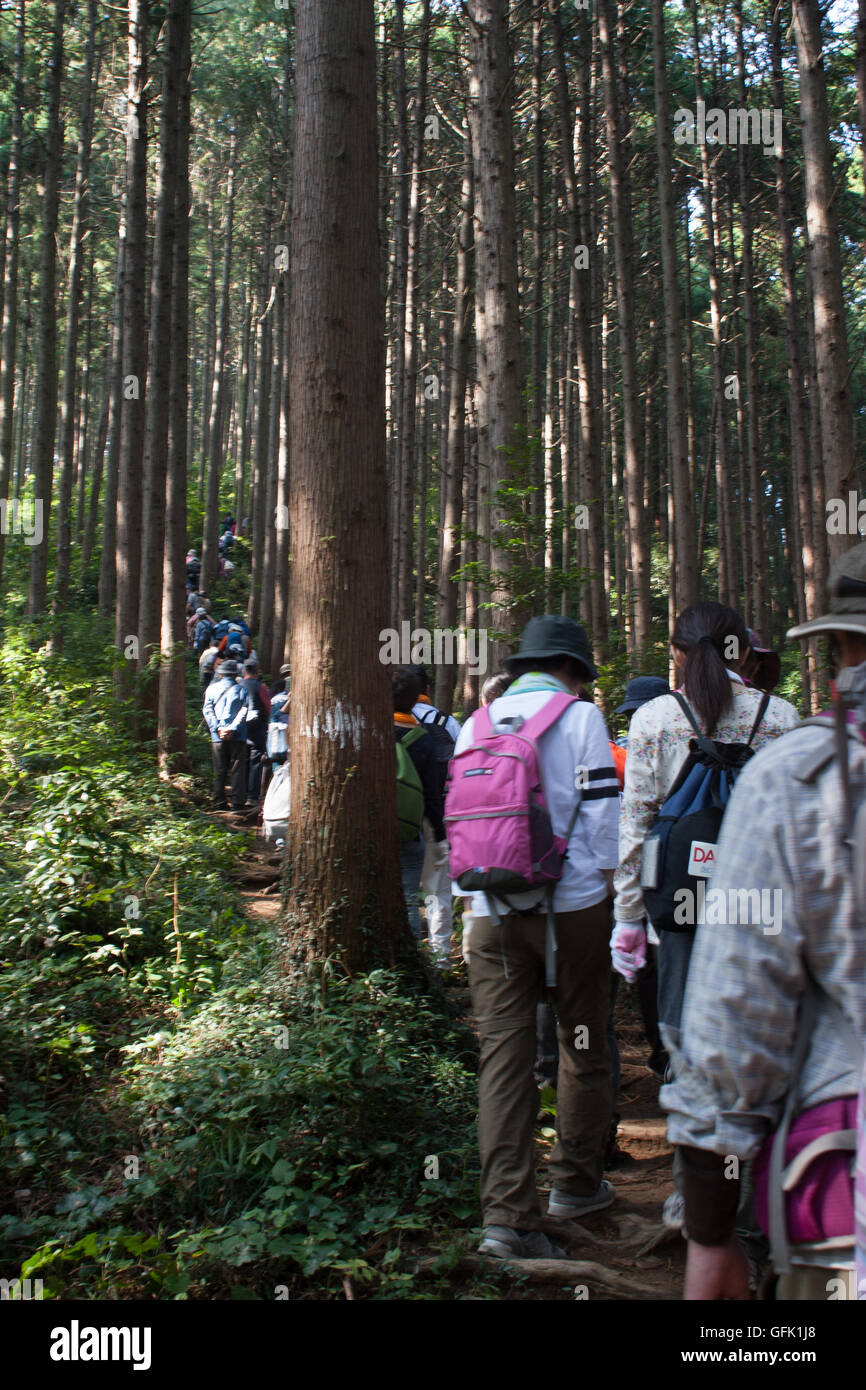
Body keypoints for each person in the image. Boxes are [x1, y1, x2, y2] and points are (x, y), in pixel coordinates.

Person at [663, 544, 866, 1300]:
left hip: (843, 1195)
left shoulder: (802, 773)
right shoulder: (778, 719)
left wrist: (710, 1233)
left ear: (845, 644)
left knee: (684, 1017)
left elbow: (736, 1014)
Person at [610, 602, 800, 1244]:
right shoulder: (782, 718)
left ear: (679, 653)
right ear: (742, 648)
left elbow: (635, 825)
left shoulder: (653, 718)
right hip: (759, 907)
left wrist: (628, 919)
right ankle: (750, 1205)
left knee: (687, 1042)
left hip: (680, 907)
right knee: (761, 1041)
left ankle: (692, 1203)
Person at [453, 615, 620, 1259]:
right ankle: (576, 1186)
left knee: (504, 1056)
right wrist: (605, 900)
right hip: (571, 905)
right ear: (573, 669)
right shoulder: (580, 719)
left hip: (488, 909)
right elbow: (604, 823)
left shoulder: (477, 721)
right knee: (583, 1038)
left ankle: (506, 1220)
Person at [611, 675, 671, 1080]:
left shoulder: (619, 753)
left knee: (648, 968)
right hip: (679, 864)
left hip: (636, 872)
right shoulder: (686, 737)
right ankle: (670, 1054)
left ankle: (661, 1052)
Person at [407, 664, 461, 970]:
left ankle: (409, 960)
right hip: (441, 812)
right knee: (439, 888)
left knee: (405, 883)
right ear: (427, 689)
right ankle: (440, 958)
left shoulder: (389, 719)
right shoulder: (447, 721)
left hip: (402, 814)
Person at [393, 667, 447, 944]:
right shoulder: (424, 739)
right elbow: (432, 793)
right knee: (409, 899)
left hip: (369, 826)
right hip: (409, 830)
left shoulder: (371, 730)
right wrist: (439, 834)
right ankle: (410, 968)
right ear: (417, 698)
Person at [203, 659, 251, 811]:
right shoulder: (242, 690)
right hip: (238, 736)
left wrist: (217, 728)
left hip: (217, 736)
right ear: (235, 674)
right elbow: (244, 711)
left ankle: (218, 801)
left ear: (221, 674)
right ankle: (237, 803)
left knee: (219, 768)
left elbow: (207, 710)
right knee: (237, 768)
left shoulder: (211, 689)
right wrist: (232, 728)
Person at [241, 658, 271, 805]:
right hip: (257, 726)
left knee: (241, 759)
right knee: (256, 759)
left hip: (240, 727)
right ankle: (252, 797)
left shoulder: (237, 685)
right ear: (257, 671)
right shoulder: (261, 687)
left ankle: (240, 794)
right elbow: (267, 706)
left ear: (243, 671)